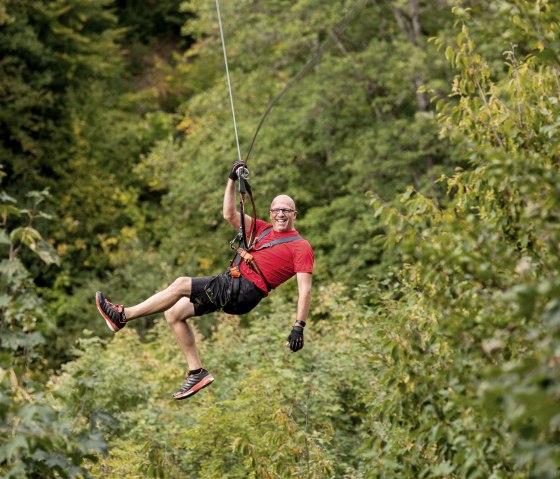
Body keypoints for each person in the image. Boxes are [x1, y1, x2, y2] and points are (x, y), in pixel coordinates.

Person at [95, 161, 314, 400]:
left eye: (287, 210)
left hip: (244, 290)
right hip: (232, 284)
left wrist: (298, 326)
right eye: (277, 210)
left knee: (180, 284)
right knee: (174, 314)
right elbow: (228, 214)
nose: (281, 214)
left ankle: (122, 316)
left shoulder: (300, 247)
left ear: (295, 215)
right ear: (271, 213)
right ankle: (196, 372)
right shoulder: (260, 229)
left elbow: (304, 291)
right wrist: (231, 180)